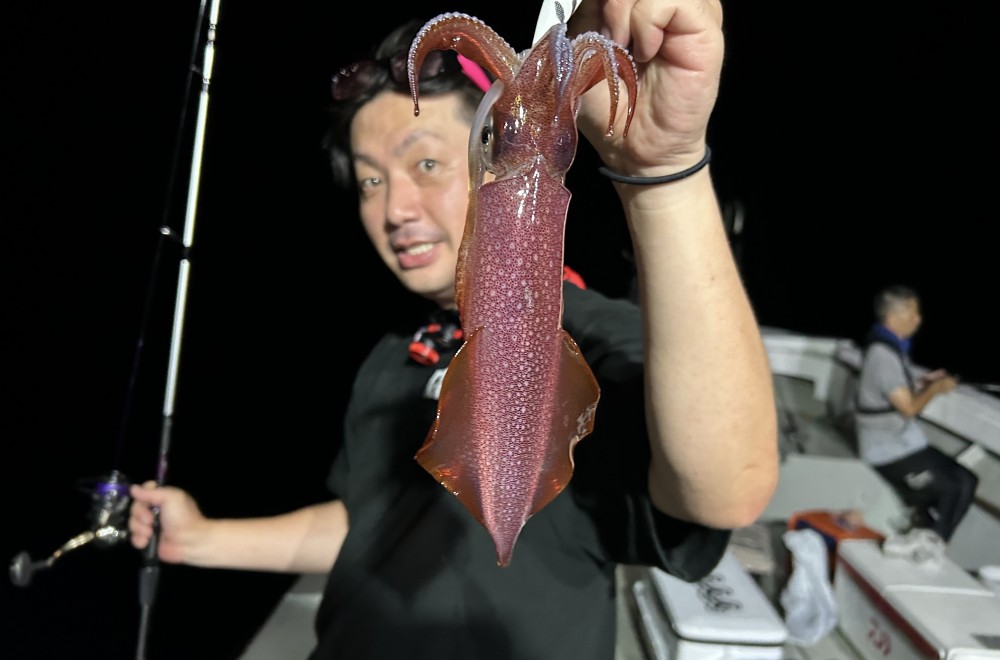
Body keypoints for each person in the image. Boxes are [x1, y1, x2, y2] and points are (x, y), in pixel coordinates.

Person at [128, 1, 779, 658]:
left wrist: (660, 170)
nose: (395, 209)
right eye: (370, 180)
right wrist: (201, 539)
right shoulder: (395, 353)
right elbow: (370, 523)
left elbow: (727, 487)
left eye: (427, 164)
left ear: (481, 152)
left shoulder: (598, 337)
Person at [854, 285, 979, 542]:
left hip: (902, 442)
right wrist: (935, 388)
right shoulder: (882, 355)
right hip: (885, 450)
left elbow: (895, 389)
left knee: (968, 479)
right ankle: (930, 541)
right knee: (952, 488)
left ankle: (931, 538)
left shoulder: (889, 347)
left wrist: (923, 381)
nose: (918, 320)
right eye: (912, 314)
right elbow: (909, 408)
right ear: (892, 318)